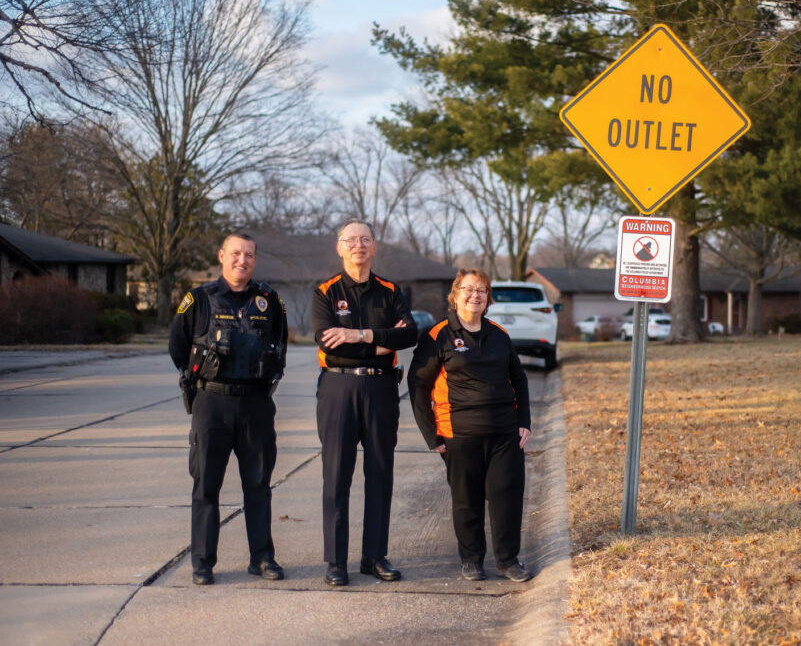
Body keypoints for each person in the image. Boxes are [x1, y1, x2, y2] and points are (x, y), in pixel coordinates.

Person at [169, 233, 287, 586]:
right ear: (221, 256)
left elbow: (279, 345)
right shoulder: (199, 299)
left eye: (249, 254)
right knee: (206, 485)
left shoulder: (269, 300)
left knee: (259, 484)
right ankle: (202, 562)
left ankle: (262, 558)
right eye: (236, 253)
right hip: (212, 404)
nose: (242, 260)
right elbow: (178, 347)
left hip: (256, 404)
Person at [408, 267, 533, 583]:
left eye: (482, 290)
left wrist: (524, 422)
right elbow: (418, 385)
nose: (475, 295)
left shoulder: (498, 334)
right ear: (455, 295)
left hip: (505, 432)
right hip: (458, 433)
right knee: (467, 500)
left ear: (488, 298)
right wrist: (430, 434)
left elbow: (518, 377)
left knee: (506, 496)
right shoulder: (438, 336)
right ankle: (472, 559)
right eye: (468, 289)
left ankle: (508, 560)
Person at [313, 219, 418, 586]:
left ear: (374, 248)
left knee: (379, 474)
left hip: (381, 391)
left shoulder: (389, 291)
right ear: (339, 248)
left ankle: (374, 556)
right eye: (350, 240)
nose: (358, 246)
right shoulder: (325, 291)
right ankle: (335, 562)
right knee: (337, 476)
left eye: (365, 240)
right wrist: (380, 345)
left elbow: (409, 335)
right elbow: (328, 344)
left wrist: (358, 335)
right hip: (338, 391)